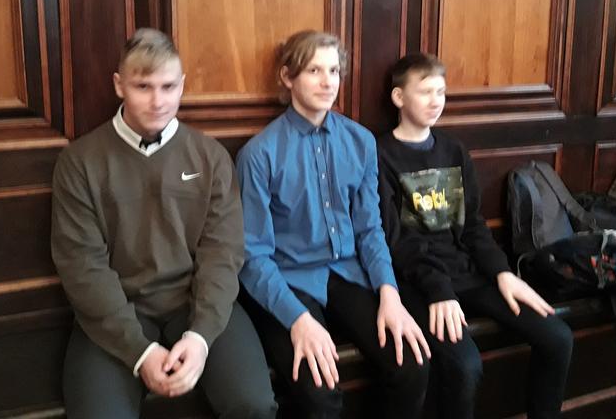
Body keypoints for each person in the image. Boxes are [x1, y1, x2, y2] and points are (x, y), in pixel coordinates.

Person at [51, 28, 277, 419]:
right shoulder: (80, 162)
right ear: (119, 85)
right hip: (116, 313)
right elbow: (82, 266)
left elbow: (222, 253)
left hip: (195, 303)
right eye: (143, 87)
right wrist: (140, 353)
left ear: (182, 85)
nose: (158, 101)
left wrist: (201, 336)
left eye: (168, 87)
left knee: (253, 405)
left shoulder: (209, 156)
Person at [236, 30, 431, 419]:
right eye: (314, 70)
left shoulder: (360, 141)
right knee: (319, 392)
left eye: (334, 71)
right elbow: (253, 257)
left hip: (347, 273)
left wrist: (389, 293)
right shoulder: (258, 154)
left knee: (411, 362)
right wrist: (298, 320)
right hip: (287, 280)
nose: (328, 82)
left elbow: (370, 229)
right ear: (288, 77)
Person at [376, 52, 573, 419]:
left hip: (468, 272)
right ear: (399, 97)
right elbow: (396, 240)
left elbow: (473, 225)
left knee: (558, 338)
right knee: (465, 366)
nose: (436, 101)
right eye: (426, 92)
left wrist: (503, 274)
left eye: (441, 92)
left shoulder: (454, 150)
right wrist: (439, 289)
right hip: (418, 282)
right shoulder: (380, 154)